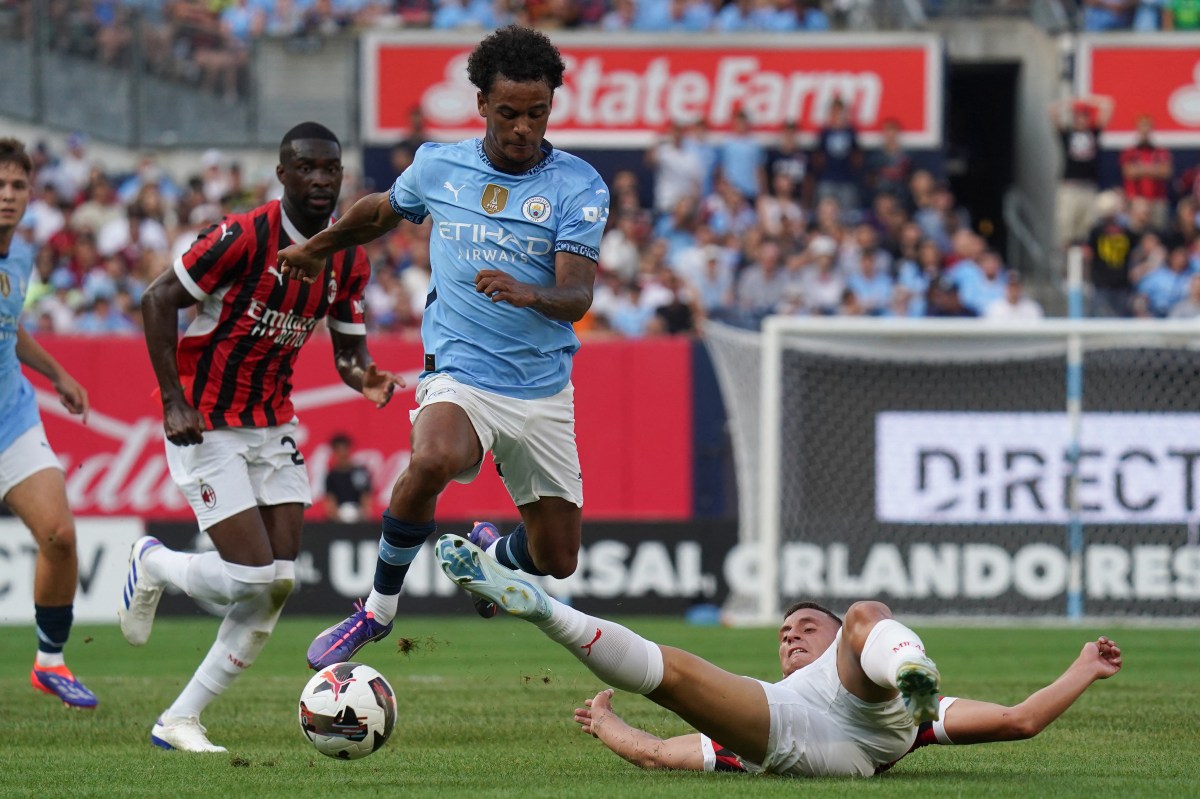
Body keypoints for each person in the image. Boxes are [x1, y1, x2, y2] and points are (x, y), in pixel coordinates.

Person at [276, 26, 610, 669]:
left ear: (550, 108)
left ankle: (491, 556)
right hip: (459, 369)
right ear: (481, 103)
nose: (522, 127)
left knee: (557, 560)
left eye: (536, 114)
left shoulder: (578, 185)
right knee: (433, 458)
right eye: (508, 112)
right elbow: (381, 211)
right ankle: (374, 611)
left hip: (541, 388)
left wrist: (527, 293)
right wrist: (317, 248)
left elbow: (578, 296)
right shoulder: (438, 165)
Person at [121, 122, 400, 752]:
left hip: (272, 423)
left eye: (332, 169)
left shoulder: (348, 255)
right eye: (308, 168)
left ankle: (179, 719)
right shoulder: (242, 236)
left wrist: (366, 378)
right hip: (206, 420)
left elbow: (348, 351)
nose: (323, 180)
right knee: (252, 579)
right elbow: (157, 299)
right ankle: (154, 561)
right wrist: (172, 398)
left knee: (276, 584)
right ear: (283, 174)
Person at [436, 534, 1123, 778]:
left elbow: (1019, 719)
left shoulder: (917, 712)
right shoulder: (769, 695)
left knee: (866, 612)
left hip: (869, 721)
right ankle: (544, 609)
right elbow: (656, 751)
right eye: (784, 630)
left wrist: (1082, 667)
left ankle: (904, 660)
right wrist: (612, 725)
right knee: (672, 673)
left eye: (803, 627)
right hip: (799, 735)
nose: (790, 634)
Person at [0, 138, 96, 709]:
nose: (6, 196)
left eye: (15, 186)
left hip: (11, 415)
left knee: (59, 536)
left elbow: (11, 329)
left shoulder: (20, 256)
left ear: (30, 194)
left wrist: (59, 374)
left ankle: (51, 662)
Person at [1048, 95, 1113, 250]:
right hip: (1070, 186)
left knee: (1086, 230)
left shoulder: (1093, 133)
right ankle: (1065, 268)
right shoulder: (1068, 135)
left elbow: (1108, 106)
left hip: (1088, 186)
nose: (1082, 121)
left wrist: (1089, 101)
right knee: (1067, 227)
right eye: (1079, 117)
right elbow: (1051, 111)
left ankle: (1083, 268)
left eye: (1085, 117)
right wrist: (1070, 102)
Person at [324, 432, 373, 522]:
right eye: (339, 450)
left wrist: (362, 514)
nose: (342, 453)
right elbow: (330, 500)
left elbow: (365, 496)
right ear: (334, 452)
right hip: (338, 518)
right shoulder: (331, 476)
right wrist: (338, 516)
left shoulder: (359, 473)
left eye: (345, 449)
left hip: (359, 517)